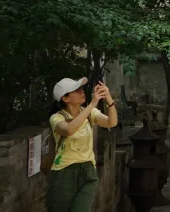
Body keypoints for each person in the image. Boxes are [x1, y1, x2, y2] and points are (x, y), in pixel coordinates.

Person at [47, 77, 118, 212]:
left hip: (88, 171)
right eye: (76, 90)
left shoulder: (90, 113)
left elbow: (111, 122)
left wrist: (109, 99)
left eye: (81, 88)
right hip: (64, 172)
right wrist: (92, 104)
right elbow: (69, 130)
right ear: (65, 98)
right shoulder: (57, 118)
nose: (82, 91)